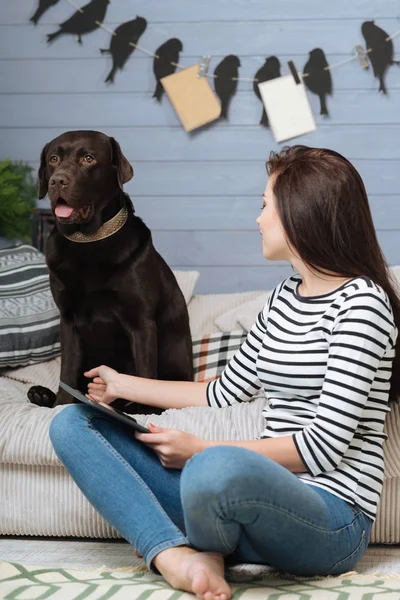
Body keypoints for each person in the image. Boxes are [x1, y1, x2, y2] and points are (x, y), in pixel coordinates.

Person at [49, 145, 400, 600]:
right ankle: (176, 555)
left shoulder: (363, 304)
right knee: (72, 424)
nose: (258, 219)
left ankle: (201, 545)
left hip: (329, 519)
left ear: (302, 213)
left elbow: (323, 446)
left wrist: (200, 449)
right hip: (242, 503)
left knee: (215, 466)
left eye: (265, 206)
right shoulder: (283, 298)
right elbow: (223, 391)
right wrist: (122, 384)